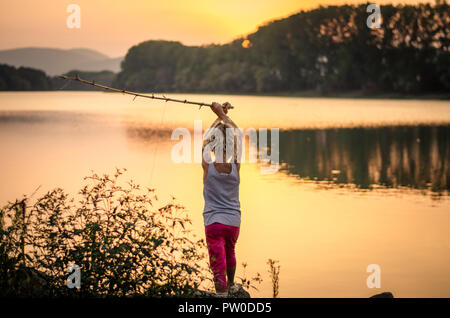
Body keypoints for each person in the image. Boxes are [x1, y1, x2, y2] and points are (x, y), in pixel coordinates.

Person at [202, 101, 241, 297]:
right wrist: (223, 115)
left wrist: (217, 115)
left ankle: (221, 294)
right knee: (230, 252)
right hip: (233, 221)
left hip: (214, 221)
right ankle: (232, 285)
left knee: (217, 258)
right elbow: (237, 134)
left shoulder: (207, 164)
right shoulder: (236, 165)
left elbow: (205, 140)